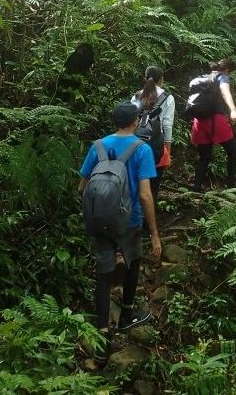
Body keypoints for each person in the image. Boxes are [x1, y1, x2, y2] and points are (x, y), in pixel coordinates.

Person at [77, 102, 162, 336]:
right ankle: (126, 315)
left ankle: (102, 329)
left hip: (100, 220)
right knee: (133, 263)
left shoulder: (98, 146)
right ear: (135, 121)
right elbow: (145, 195)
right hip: (130, 220)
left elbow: (82, 187)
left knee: (104, 273)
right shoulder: (142, 149)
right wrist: (154, 234)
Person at [191, 59, 236, 191]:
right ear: (228, 70)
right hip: (217, 120)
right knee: (232, 152)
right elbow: (225, 92)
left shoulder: (203, 79)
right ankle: (231, 185)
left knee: (204, 158)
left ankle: (196, 188)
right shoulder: (222, 77)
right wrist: (233, 110)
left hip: (199, 121)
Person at [131, 66, 175, 210]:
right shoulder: (167, 98)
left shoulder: (136, 96)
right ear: (161, 79)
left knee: (136, 183)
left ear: (145, 78)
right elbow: (167, 125)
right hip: (157, 145)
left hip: (135, 144)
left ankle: (134, 216)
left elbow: (131, 121)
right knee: (154, 187)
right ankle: (150, 219)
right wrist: (167, 150)